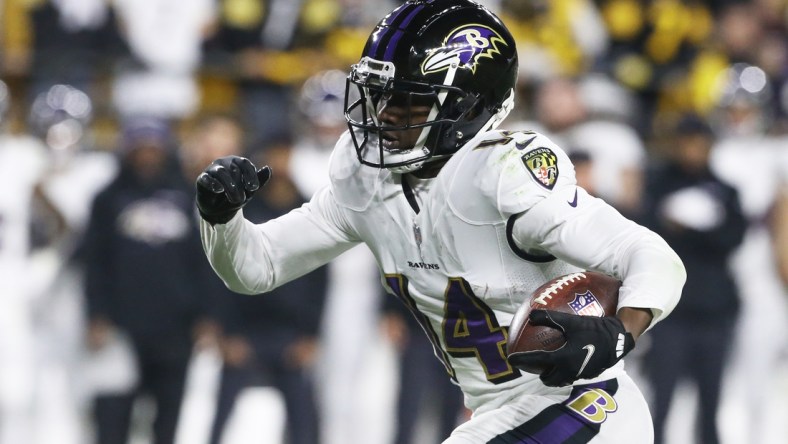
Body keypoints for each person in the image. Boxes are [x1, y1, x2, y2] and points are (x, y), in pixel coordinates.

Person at [195, 1, 686, 442]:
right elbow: (257, 268)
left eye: (409, 99)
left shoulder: (500, 174)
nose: (385, 114)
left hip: (579, 406)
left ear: (466, 107)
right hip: (499, 414)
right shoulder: (365, 180)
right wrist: (222, 218)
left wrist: (623, 329)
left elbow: (650, 255)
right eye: (379, 94)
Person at [82, 117, 219, 444]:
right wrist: (96, 315)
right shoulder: (107, 198)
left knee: (168, 423)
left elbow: (206, 259)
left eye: (153, 145)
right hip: (120, 328)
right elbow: (94, 261)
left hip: (175, 327)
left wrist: (208, 315)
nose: (147, 153)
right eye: (140, 145)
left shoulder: (191, 196)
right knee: (112, 420)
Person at [638, 114, 746, 444]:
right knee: (662, 401)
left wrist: (689, 228)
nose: (693, 150)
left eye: (699, 143)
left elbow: (733, 238)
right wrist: (696, 229)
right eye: (687, 142)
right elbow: (646, 234)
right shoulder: (656, 186)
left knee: (711, 403)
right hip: (671, 313)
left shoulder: (726, 190)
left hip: (714, 312)